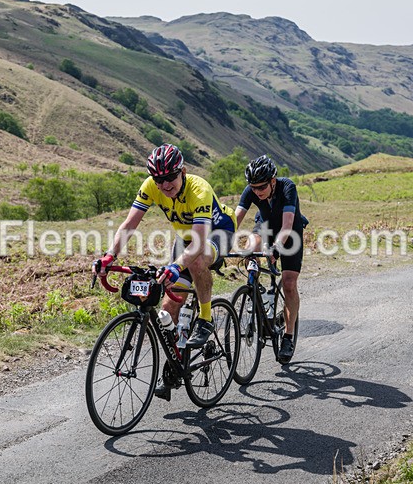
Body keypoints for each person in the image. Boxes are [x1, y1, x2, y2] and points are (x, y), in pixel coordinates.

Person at [93, 143, 236, 400]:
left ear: (183, 171)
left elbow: (200, 243)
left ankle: (206, 318)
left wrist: (174, 266)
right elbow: (130, 223)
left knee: (194, 261)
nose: (165, 185)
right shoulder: (151, 186)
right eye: (159, 179)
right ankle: (174, 365)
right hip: (186, 238)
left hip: (218, 232)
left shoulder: (199, 189)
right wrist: (109, 256)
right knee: (168, 306)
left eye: (170, 177)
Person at [234, 156, 307, 364]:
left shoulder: (287, 188)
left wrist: (276, 249)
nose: (257, 191)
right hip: (264, 227)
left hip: (290, 232)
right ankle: (255, 289)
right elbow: (235, 219)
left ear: (273, 180)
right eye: (253, 187)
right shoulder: (251, 191)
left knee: (289, 283)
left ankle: (288, 336)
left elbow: (286, 227)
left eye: (262, 186)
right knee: (250, 246)